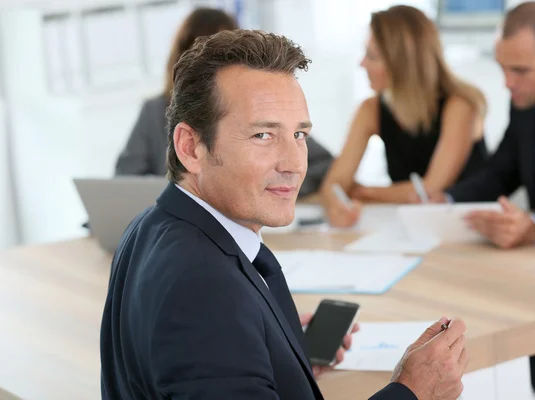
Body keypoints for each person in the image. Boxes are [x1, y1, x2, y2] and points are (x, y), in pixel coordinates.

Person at [100, 29, 468, 400]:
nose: (294, 164)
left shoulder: (149, 227)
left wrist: (274, 355)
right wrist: (411, 392)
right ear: (190, 147)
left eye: (299, 135)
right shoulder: (205, 287)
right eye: (263, 135)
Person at [428, 2, 535, 399]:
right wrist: (445, 199)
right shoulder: (526, 98)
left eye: (519, 70)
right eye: (503, 68)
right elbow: (501, 172)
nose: (507, 82)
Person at [114, 7, 333, 197]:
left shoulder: (258, 110)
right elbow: (123, 184)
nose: (214, 66)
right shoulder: (153, 111)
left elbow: (320, 164)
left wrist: (275, 189)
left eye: (226, 55)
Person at [319, 5, 488, 228]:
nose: (362, 64)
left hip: (468, 229)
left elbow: (431, 188)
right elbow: (335, 184)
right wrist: (336, 205)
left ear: (403, 64)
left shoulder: (460, 105)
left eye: (372, 56)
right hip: (414, 229)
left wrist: (363, 192)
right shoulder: (370, 109)